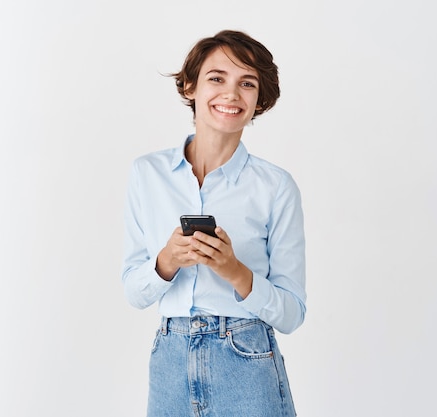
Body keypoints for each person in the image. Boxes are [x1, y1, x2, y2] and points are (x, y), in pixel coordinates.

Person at [121, 29, 306, 417]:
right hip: (169, 360)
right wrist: (167, 262)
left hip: (246, 359)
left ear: (260, 100)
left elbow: (292, 313)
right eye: (217, 78)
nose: (232, 94)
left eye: (247, 83)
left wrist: (235, 272)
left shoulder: (275, 187)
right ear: (190, 86)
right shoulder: (147, 174)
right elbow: (134, 291)